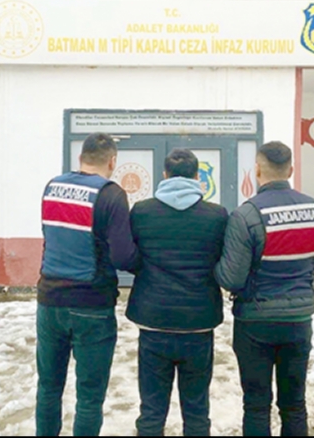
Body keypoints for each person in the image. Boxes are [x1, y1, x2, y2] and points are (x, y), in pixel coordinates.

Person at [214, 141, 314, 436]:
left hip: (255, 322)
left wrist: (213, 268)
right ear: (291, 170)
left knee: (257, 406)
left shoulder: (247, 214)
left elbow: (232, 278)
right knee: (295, 404)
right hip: (299, 319)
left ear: (257, 170)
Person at [36, 132, 138, 437]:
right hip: (91, 305)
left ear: (80, 158)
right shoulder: (111, 195)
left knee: (48, 387)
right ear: (112, 161)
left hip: (49, 301)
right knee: (90, 397)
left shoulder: (52, 188)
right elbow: (123, 256)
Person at [125, 148, 229, 436]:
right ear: (197, 177)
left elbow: (130, 256)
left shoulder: (142, 211)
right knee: (197, 411)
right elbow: (223, 260)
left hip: (153, 321)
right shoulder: (217, 215)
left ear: (165, 175)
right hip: (199, 323)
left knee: (151, 411)